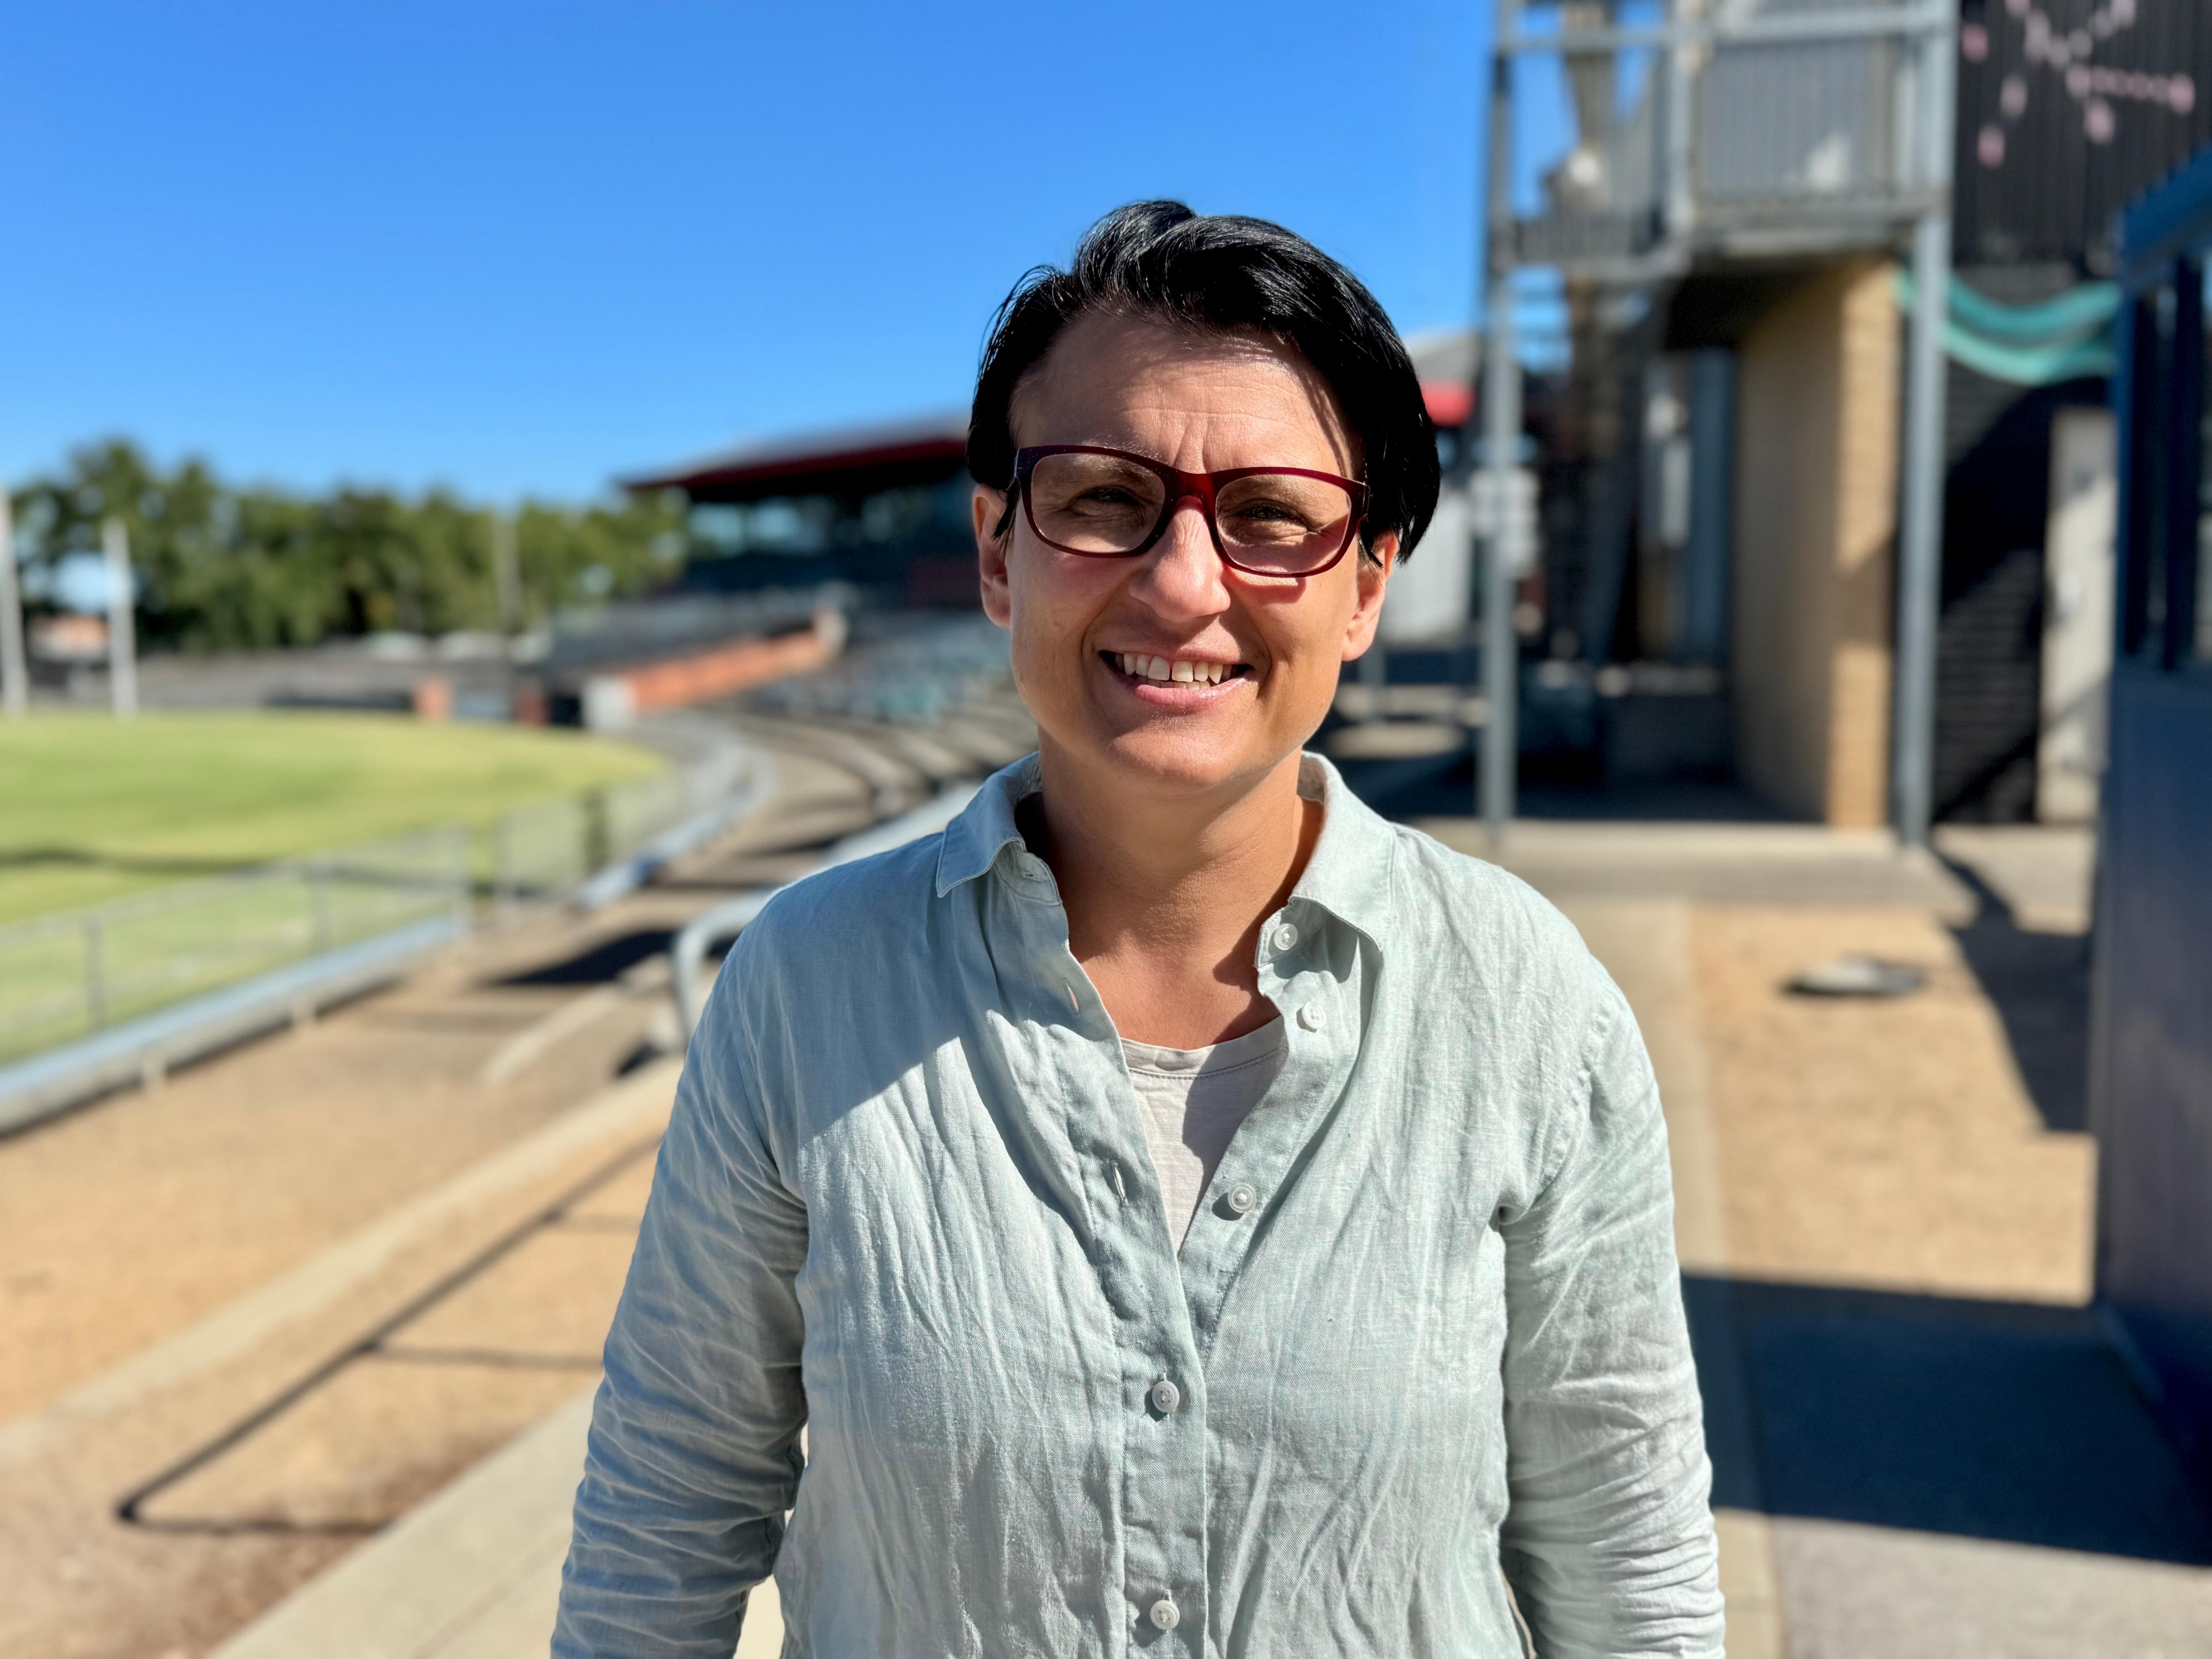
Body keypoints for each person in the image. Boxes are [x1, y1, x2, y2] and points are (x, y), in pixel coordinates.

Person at [554, 201, 1723, 1659]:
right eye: (1104, 497)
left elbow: (1627, 1557)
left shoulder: (1529, 1000)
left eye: (1273, 516)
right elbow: (668, 1508)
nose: (1183, 582)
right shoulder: (804, 987)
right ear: (998, 554)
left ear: (1366, 583)